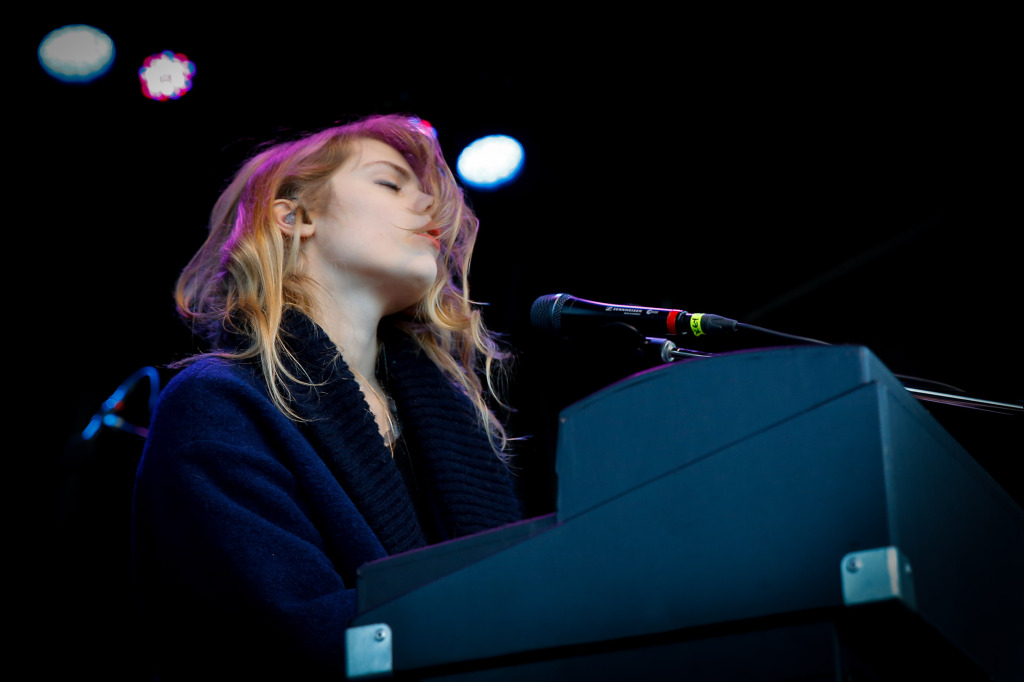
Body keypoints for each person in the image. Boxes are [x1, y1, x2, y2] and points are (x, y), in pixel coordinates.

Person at [130, 113, 524, 680]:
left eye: (431, 195)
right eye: (390, 183)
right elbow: (276, 641)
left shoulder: (450, 420)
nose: (431, 210)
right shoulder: (217, 403)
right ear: (296, 216)